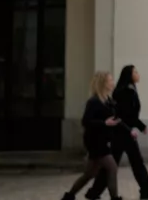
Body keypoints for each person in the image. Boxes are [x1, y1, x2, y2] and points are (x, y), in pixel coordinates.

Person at [86, 66, 148, 200]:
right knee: (134, 163)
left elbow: (129, 114)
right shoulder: (125, 92)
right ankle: (146, 192)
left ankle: (94, 192)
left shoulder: (129, 89)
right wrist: (139, 127)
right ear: (129, 75)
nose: (138, 74)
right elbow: (125, 114)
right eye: (135, 72)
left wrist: (137, 127)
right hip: (123, 133)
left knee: (116, 165)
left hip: (123, 132)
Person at [62, 72, 128, 200]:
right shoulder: (94, 101)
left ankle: (69, 196)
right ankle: (115, 198)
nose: (113, 82)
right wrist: (104, 123)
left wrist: (129, 130)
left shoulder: (109, 100)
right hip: (94, 141)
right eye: (110, 80)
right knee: (112, 167)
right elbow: (85, 121)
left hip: (103, 139)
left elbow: (116, 119)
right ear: (103, 83)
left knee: (89, 173)